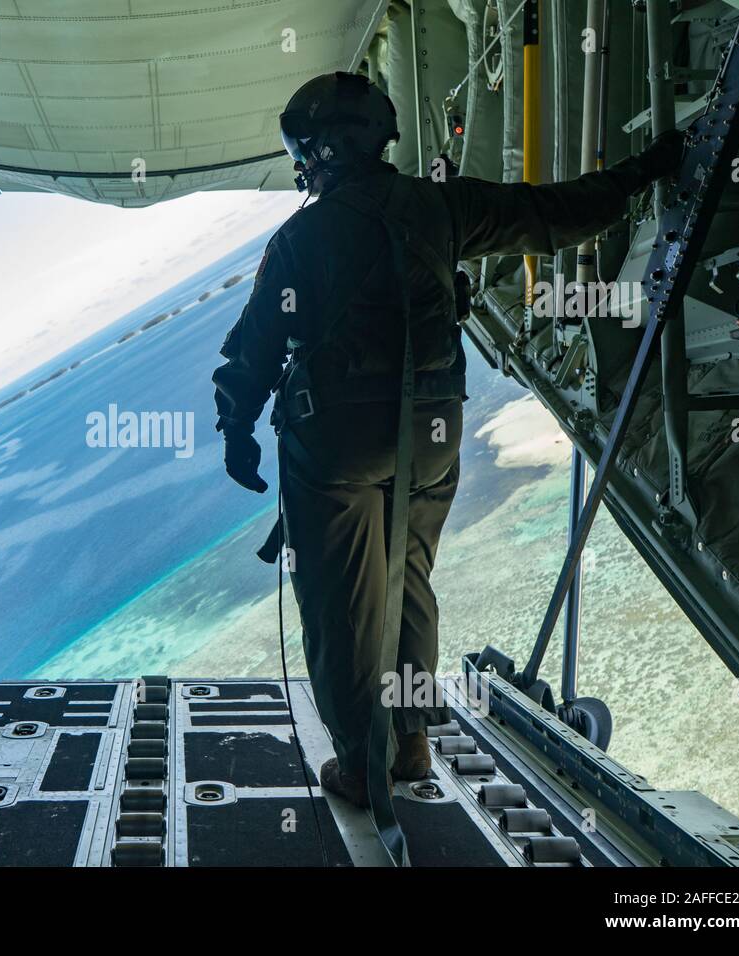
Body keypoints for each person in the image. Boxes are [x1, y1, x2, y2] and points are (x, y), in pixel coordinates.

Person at [212, 72, 685, 806]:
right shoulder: (440, 206)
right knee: (408, 583)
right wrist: (645, 170)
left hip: (336, 448)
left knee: (342, 606)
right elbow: (556, 212)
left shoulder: (298, 240)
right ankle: (411, 742)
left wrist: (236, 431)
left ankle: (362, 765)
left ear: (319, 153)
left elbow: (254, 353)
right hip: (432, 431)